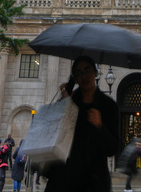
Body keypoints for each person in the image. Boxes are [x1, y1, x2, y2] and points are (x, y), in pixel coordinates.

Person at [43, 55, 121, 192]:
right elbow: (52, 134)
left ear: (95, 73)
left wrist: (100, 127)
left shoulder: (108, 105)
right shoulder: (68, 102)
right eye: (78, 73)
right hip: (64, 179)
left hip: (93, 182)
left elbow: (113, 149)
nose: (84, 76)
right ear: (75, 78)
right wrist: (63, 104)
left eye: (87, 70)